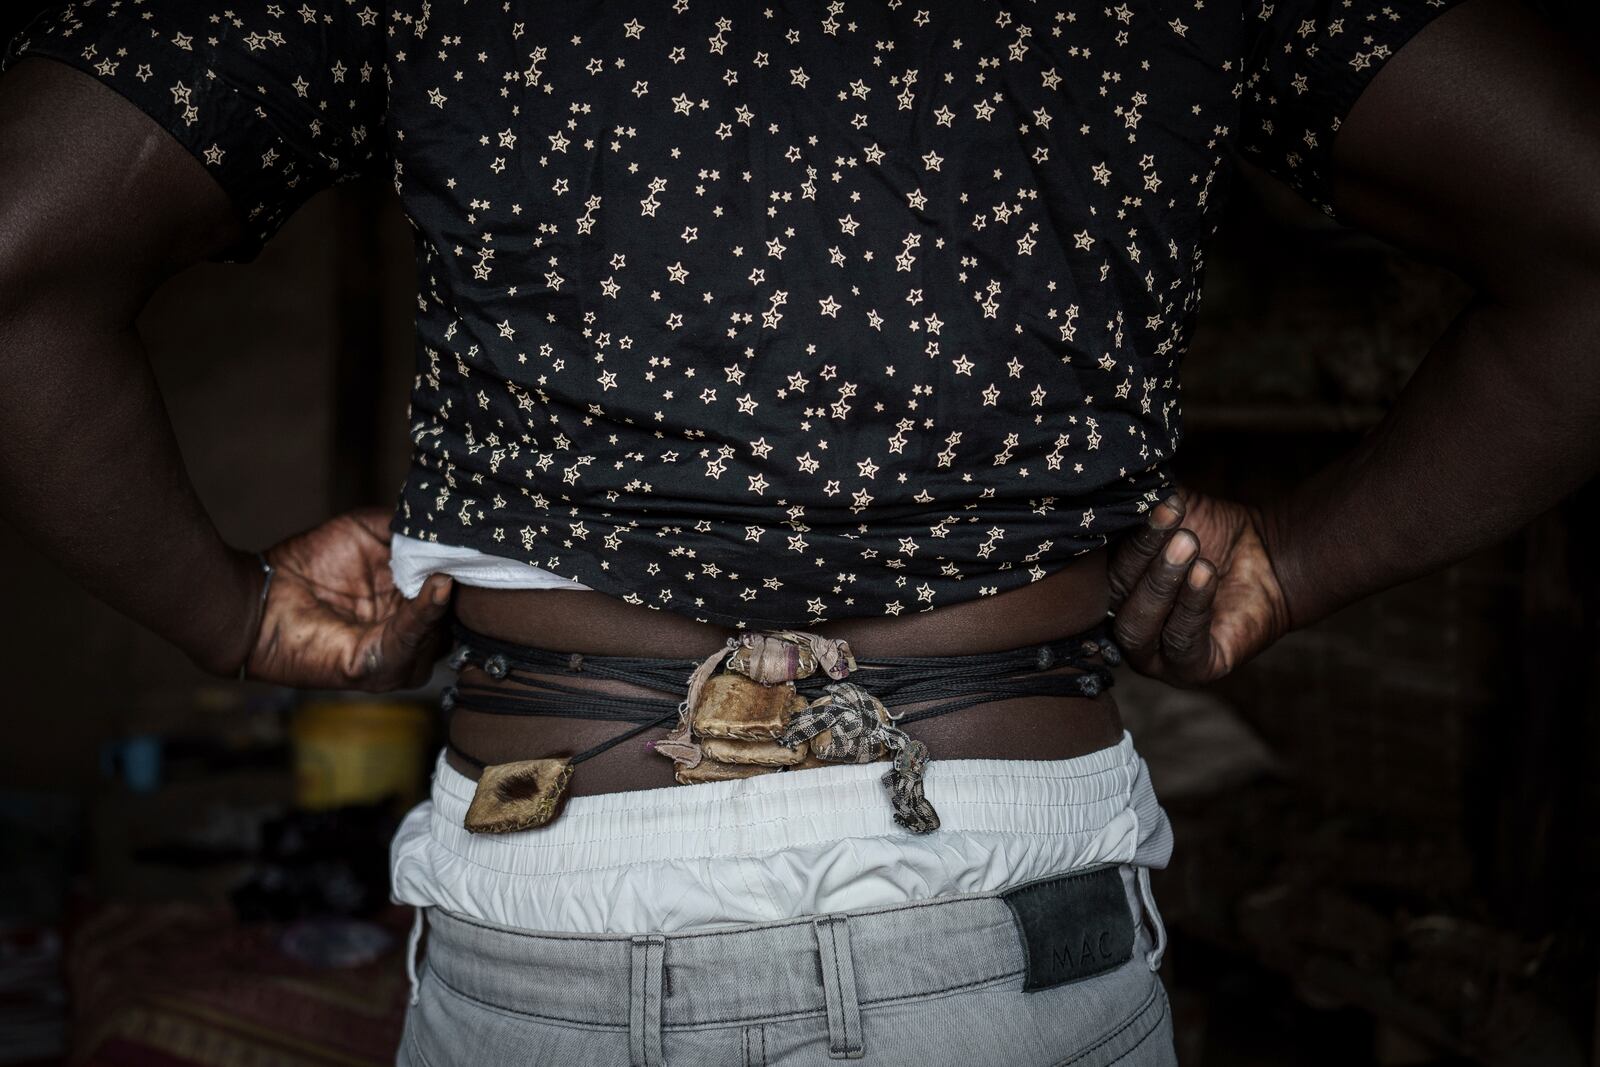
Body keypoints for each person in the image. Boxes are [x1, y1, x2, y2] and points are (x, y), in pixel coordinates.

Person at [2, 0, 1596, 1062]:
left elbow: (22, 250)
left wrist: (232, 614)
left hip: (555, 915)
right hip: (1009, 920)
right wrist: (1298, 563)